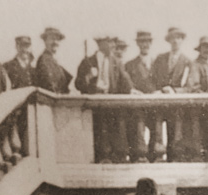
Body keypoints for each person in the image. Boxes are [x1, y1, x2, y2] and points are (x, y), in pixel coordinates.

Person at [75, 33, 133, 161]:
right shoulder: (87, 62)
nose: (113, 45)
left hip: (112, 104)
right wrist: (88, 77)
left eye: (113, 42)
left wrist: (131, 89)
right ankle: (102, 157)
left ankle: (117, 157)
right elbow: (78, 84)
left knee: (116, 130)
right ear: (100, 44)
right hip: (95, 105)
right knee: (100, 131)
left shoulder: (116, 62)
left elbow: (126, 83)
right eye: (110, 42)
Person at [151, 27, 192, 161]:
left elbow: (189, 86)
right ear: (169, 40)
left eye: (178, 38)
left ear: (182, 40)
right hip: (160, 102)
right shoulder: (160, 59)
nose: (175, 41)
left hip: (177, 104)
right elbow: (152, 79)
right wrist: (157, 90)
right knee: (157, 130)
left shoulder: (187, 61)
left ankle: (174, 158)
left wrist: (174, 91)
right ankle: (157, 156)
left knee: (176, 132)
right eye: (172, 38)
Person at [126, 32, 157, 161]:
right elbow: (127, 84)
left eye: (147, 42)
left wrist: (159, 91)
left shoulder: (158, 63)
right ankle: (140, 155)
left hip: (155, 104)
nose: (145, 45)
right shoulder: (130, 65)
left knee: (156, 129)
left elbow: (163, 81)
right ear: (138, 44)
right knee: (138, 129)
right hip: (138, 105)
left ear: (151, 43)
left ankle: (155, 156)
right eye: (142, 42)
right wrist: (132, 90)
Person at [34, 27, 71, 94]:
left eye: (57, 39)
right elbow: (48, 86)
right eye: (52, 38)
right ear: (45, 41)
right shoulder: (44, 60)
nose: (55, 42)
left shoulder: (55, 60)